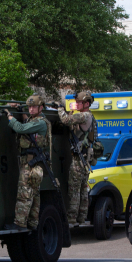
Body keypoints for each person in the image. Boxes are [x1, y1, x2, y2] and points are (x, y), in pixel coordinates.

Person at [4, 94, 52, 231]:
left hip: (31, 164)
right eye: (29, 107)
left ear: (41, 107)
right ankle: (32, 223)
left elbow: (21, 128)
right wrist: (19, 109)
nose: (31, 109)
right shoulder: (35, 120)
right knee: (34, 194)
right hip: (33, 164)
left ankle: (19, 223)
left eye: (34, 107)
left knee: (24, 193)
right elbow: (27, 122)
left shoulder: (41, 122)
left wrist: (10, 117)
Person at [57, 91, 96, 225]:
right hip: (85, 159)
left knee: (74, 188)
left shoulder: (84, 115)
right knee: (82, 188)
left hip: (79, 159)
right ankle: (81, 216)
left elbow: (66, 120)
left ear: (87, 103)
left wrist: (60, 108)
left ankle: (72, 217)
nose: (77, 104)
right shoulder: (90, 116)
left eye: (79, 102)